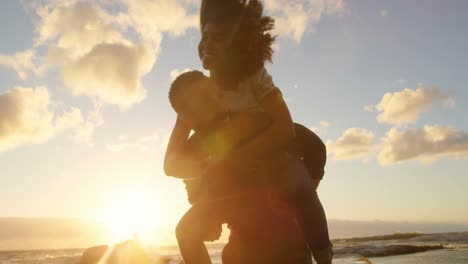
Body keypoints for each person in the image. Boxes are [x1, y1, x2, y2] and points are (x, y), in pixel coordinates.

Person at [165, 0, 333, 263]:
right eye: (205, 36)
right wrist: (202, 175)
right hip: (231, 201)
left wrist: (236, 160)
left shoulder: (255, 88)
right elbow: (172, 165)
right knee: (186, 231)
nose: (208, 43)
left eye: (218, 38)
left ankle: (323, 251)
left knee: (300, 183)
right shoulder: (201, 106)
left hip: (273, 178)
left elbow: (294, 134)